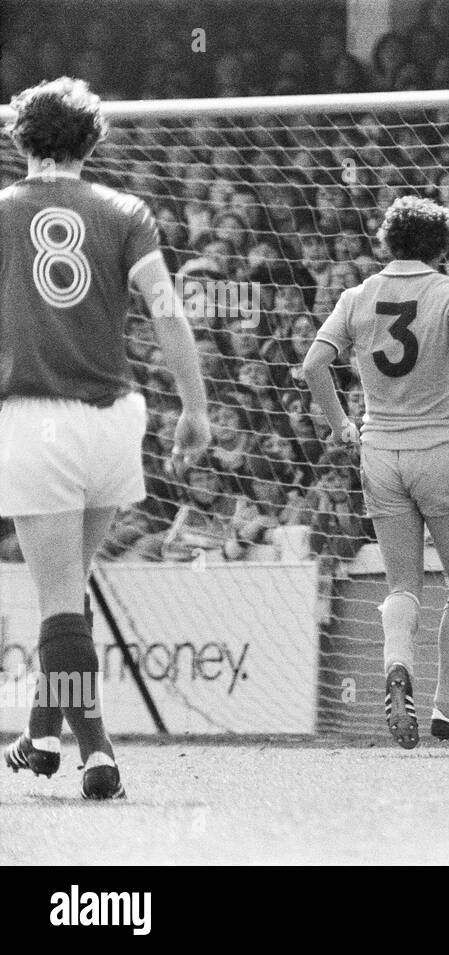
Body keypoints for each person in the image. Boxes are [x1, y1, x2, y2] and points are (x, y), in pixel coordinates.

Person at [1, 77, 210, 799]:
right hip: (117, 420)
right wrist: (195, 407)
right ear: (93, 143)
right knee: (72, 588)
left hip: (35, 418)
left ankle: (97, 753)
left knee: (58, 598)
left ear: (18, 139)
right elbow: (168, 312)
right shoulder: (126, 212)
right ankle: (40, 735)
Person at [303, 195, 449, 750]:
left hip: (380, 453)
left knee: (402, 585)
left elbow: (314, 365)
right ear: (444, 247)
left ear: (387, 243)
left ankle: (397, 666)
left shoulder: (356, 296)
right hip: (442, 451)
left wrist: (344, 425)